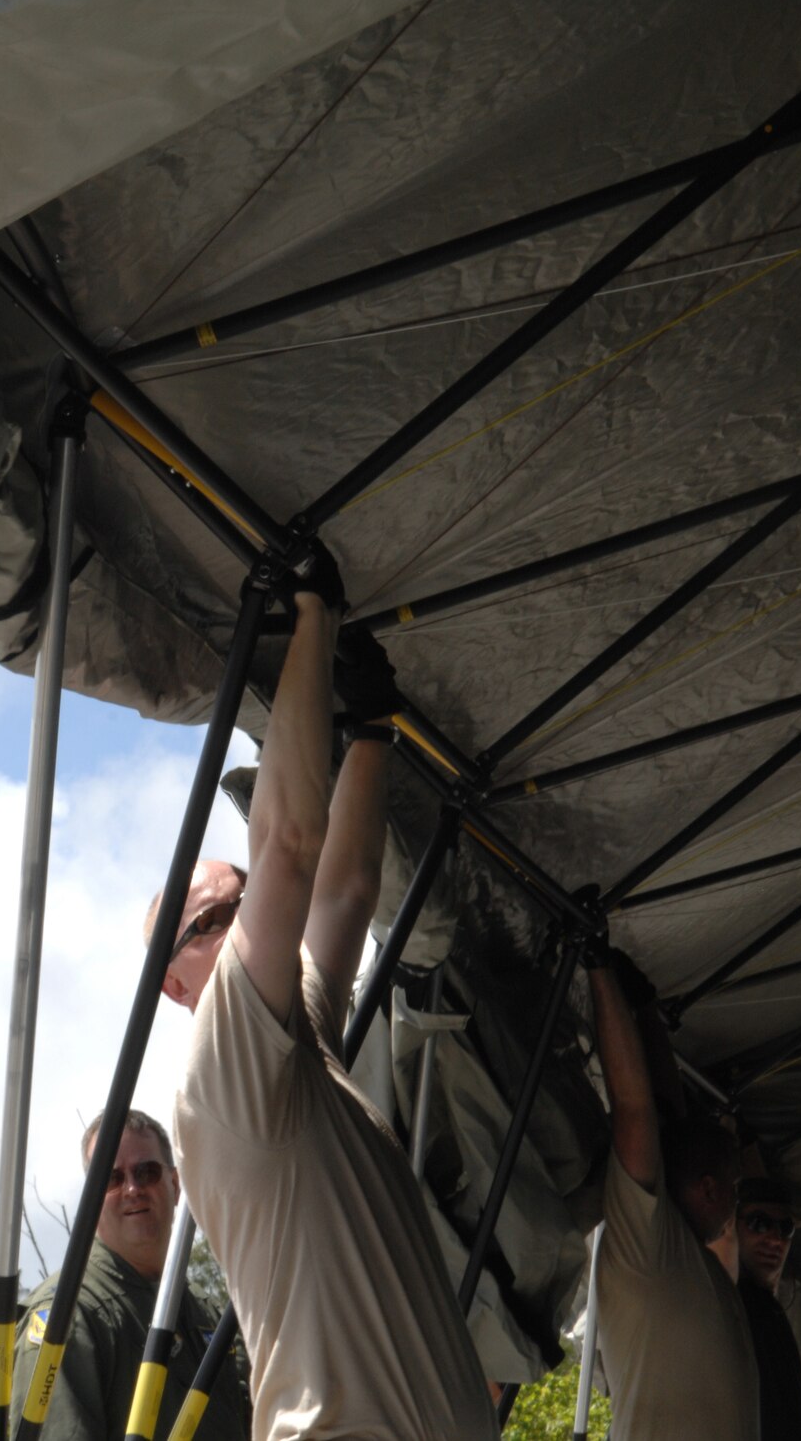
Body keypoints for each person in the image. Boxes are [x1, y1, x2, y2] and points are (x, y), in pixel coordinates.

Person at [162, 584, 499, 1441]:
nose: (247, 921)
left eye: (242, 901)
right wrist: (313, 616)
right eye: (217, 921)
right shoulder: (223, 1051)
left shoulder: (291, 1039)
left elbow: (343, 893)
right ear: (175, 983)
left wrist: (373, 736)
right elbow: (289, 848)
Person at [589, 950, 760, 1439]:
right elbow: (634, 1105)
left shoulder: (685, 1257)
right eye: (736, 1186)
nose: (737, 1203)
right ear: (709, 1188)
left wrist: (645, 1008)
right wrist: (596, 964)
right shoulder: (648, 1245)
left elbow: (670, 1118)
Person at [9, 1110, 249, 1441]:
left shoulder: (208, 1314)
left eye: (147, 1172)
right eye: (113, 1178)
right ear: (93, 1198)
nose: (132, 1189)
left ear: (176, 1185)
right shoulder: (67, 1315)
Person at [734, 1178, 801, 1441]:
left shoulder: (770, 1310)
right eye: (759, 1223)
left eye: (785, 1228)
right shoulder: (731, 1306)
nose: (775, 1238)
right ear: (731, 1226)